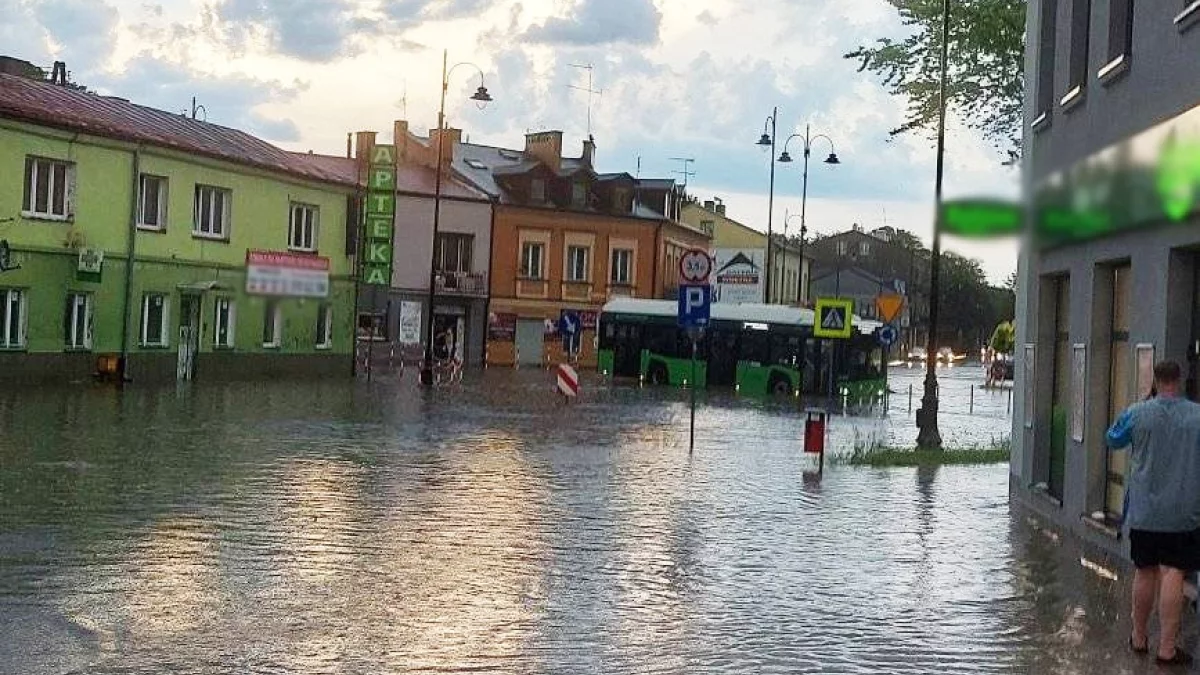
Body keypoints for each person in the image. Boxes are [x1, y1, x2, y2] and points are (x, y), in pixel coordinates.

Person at [1106, 360, 1200, 665]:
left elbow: (1113, 438)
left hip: (1145, 512)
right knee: (1173, 572)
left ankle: (1139, 637)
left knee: (1145, 570)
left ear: (1156, 381)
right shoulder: (1197, 416)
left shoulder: (1138, 413)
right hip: (1184, 512)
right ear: (1181, 380)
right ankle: (1167, 648)